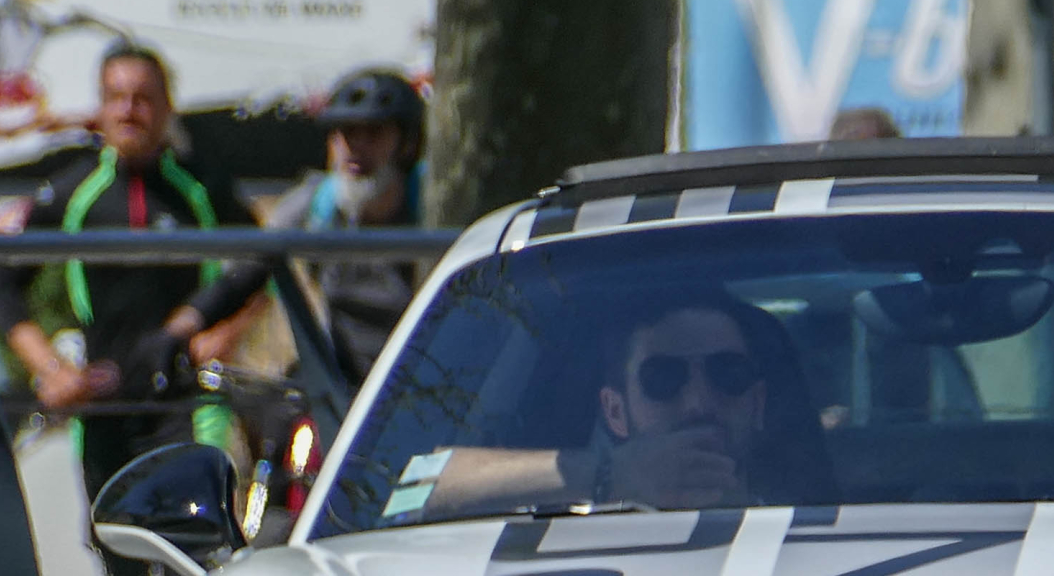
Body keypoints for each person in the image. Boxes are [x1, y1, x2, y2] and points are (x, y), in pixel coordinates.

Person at [0, 44, 268, 576]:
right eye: (117, 98)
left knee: (200, 553)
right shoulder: (72, 193)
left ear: (167, 108)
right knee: (120, 563)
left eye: (144, 98)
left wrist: (226, 332)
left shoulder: (201, 187)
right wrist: (50, 370)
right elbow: (1, 288)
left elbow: (260, 264)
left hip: (188, 398)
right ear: (100, 109)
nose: (130, 111)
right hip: (105, 402)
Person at [420, 297, 783, 519]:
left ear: (759, 402)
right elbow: (410, 490)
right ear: (614, 411)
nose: (698, 402)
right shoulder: (560, 538)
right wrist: (610, 476)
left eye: (729, 374)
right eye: (663, 378)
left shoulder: (825, 520)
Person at [256, 67, 428, 386]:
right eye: (346, 133)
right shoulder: (317, 202)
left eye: (374, 133)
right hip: (342, 379)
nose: (356, 148)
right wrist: (187, 324)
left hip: (424, 378)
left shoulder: (432, 204)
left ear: (406, 144)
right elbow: (250, 264)